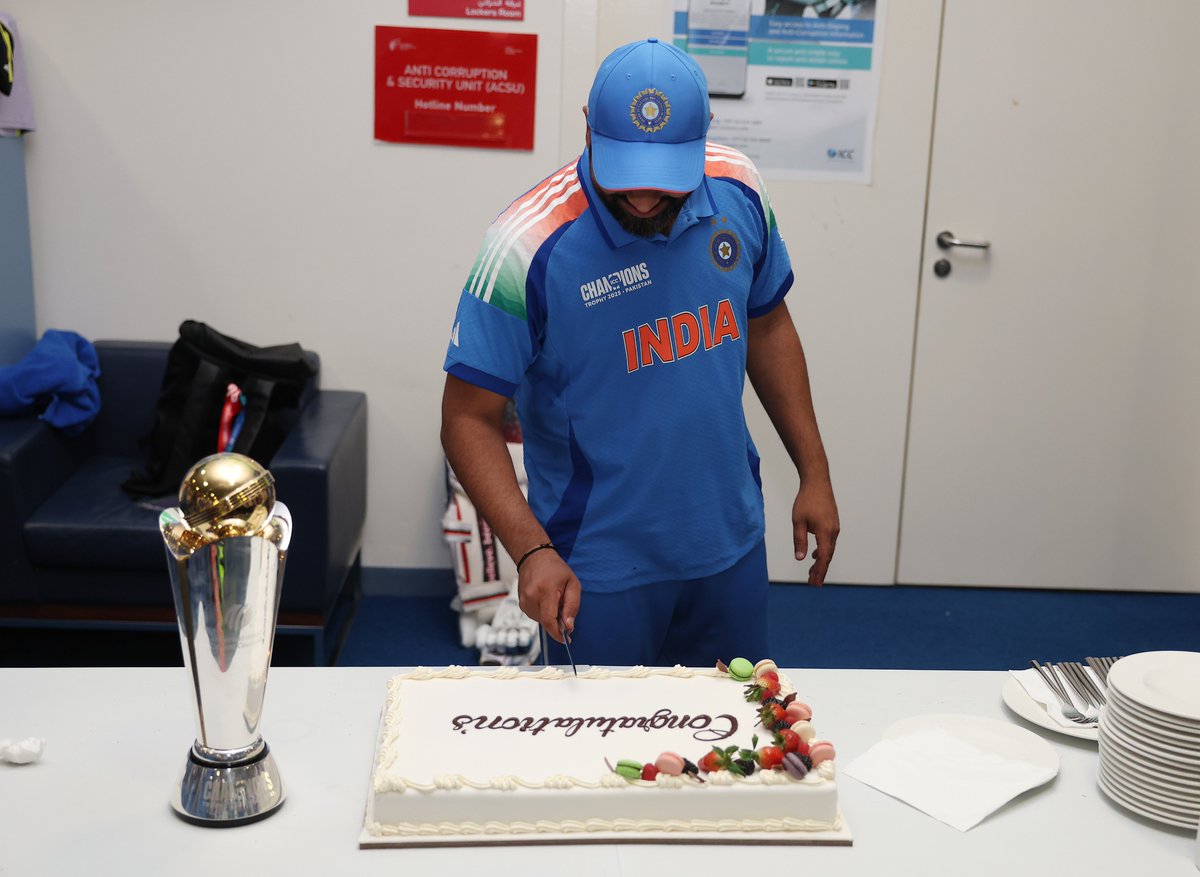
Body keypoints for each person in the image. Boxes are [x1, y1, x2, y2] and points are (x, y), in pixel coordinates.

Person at [440, 38, 838, 666]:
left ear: (702, 139)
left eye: (667, 182)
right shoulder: (524, 246)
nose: (647, 200)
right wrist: (530, 550)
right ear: (587, 130)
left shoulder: (739, 188)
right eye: (626, 177)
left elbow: (767, 326)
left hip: (727, 546)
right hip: (594, 567)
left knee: (730, 747)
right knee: (600, 760)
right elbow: (467, 417)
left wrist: (813, 471)